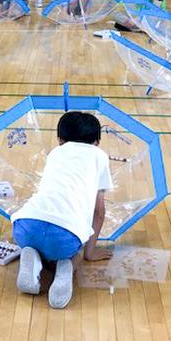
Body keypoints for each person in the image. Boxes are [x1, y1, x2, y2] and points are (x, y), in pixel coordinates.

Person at [12, 111, 113, 309]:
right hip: (64, 236)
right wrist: (89, 253)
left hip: (25, 225)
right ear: (97, 141)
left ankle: (31, 253)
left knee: (41, 241)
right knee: (72, 250)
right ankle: (66, 270)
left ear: (60, 139)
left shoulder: (55, 153)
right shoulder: (100, 157)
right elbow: (99, 212)